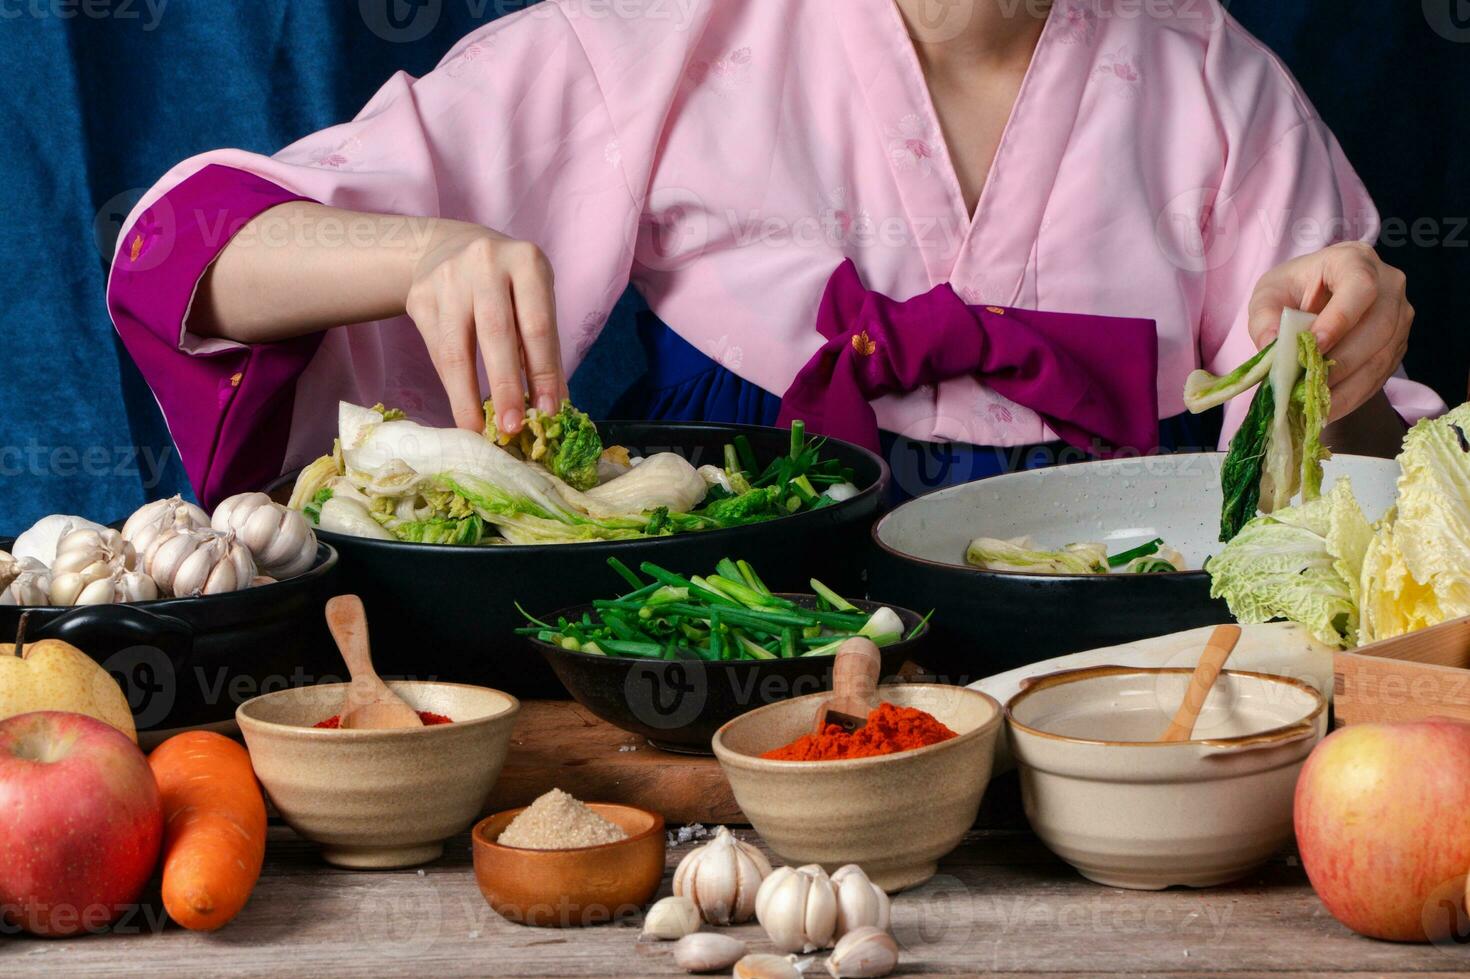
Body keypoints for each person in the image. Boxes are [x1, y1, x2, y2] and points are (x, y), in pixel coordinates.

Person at [108, 0, 1442, 508]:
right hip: (730, 672)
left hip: (1107, 697)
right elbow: (187, 261)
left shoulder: (1218, 81)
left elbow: (1335, 509)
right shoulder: (662, 37)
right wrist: (423, 250)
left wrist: (1347, 370)